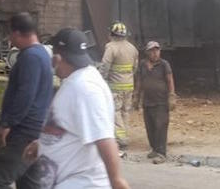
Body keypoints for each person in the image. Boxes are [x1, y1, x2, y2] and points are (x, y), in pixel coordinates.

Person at [22, 28, 131, 189]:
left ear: (58, 57)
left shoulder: (85, 88)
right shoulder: (75, 81)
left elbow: (104, 138)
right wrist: (42, 144)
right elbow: (71, 126)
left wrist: (116, 181)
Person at [0, 13, 54, 189]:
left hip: (23, 132)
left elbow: (25, 95)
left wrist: (8, 124)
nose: (9, 39)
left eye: (9, 34)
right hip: (34, 129)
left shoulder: (30, 57)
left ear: (16, 33)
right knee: (29, 183)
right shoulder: (41, 54)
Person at [133, 40, 175, 164]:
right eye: (152, 51)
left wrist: (172, 95)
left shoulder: (164, 64)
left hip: (161, 101)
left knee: (161, 126)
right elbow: (139, 80)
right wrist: (136, 95)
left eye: (157, 50)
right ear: (147, 52)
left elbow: (170, 80)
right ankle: (155, 149)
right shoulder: (142, 65)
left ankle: (162, 153)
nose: (155, 53)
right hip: (147, 101)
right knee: (150, 127)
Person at [98, 22, 138, 153]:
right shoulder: (133, 48)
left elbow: (105, 66)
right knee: (125, 112)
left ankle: (121, 139)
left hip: (115, 87)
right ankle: (124, 135)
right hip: (129, 85)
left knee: (115, 112)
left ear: (112, 34)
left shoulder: (111, 47)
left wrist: (101, 80)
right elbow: (134, 68)